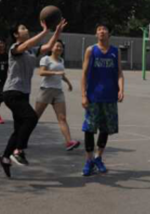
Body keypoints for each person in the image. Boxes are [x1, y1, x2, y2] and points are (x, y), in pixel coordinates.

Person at [0, 18, 67, 178]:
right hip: (12, 92)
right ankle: (18, 151)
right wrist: (44, 31)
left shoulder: (31, 51)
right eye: (22, 28)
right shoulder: (14, 48)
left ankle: (5, 158)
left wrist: (56, 33)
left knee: (19, 129)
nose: (26, 29)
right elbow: (26, 45)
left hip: (23, 93)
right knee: (31, 118)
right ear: (16, 34)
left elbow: (48, 46)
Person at [80, 23, 124, 177]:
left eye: (104, 29)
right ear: (96, 34)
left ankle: (98, 158)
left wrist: (121, 89)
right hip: (93, 97)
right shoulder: (91, 50)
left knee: (105, 129)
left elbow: (119, 73)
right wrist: (83, 95)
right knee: (89, 129)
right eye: (99, 29)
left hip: (110, 96)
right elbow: (84, 74)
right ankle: (89, 160)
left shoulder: (115, 51)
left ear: (109, 33)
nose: (101, 31)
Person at [35, 39, 81, 151]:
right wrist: (55, 72)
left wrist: (68, 83)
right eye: (57, 46)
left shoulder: (61, 60)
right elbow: (41, 72)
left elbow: (62, 75)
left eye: (61, 46)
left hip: (58, 92)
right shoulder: (45, 59)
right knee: (34, 118)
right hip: (46, 90)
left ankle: (69, 142)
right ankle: (21, 140)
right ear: (51, 48)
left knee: (62, 118)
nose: (59, 48)